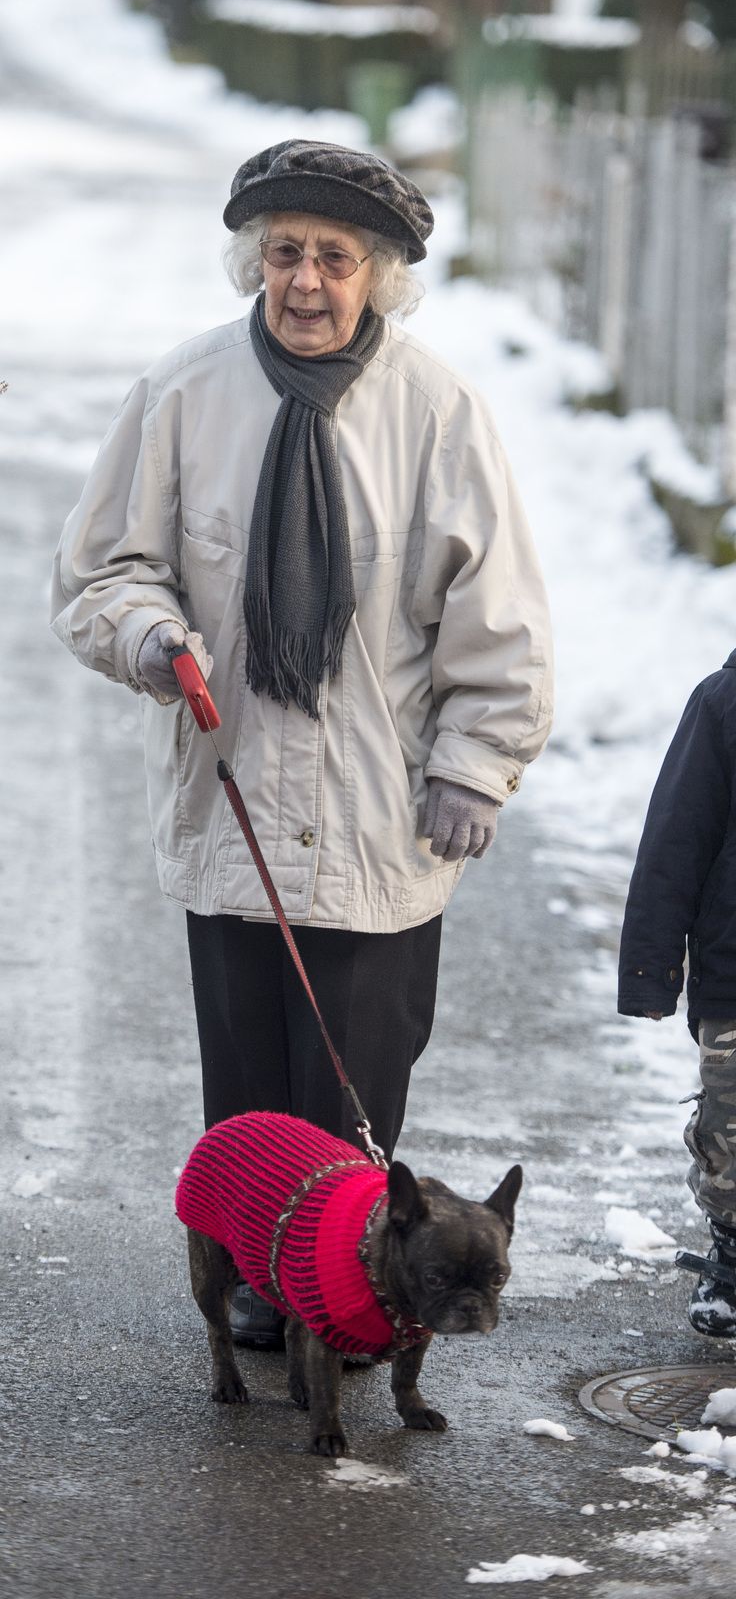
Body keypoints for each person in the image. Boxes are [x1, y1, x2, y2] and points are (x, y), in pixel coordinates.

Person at [51, 139, 553, 1346]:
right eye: (284, 254)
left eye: (334, 257)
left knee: (352, 1101)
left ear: (379, 275)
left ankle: (357, 1293)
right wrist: (151, 633)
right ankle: (261, 1287)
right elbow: (101, 571)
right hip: (231, 812)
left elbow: (501, 616)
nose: (307, 281)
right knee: (250, 1108)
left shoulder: (437, 412)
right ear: (252, 265)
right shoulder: (185, 392)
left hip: (382, 833)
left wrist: (473, 767)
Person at [618, 649, 736, 1339]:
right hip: (734, 976)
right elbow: (675, 841)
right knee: (729, 1135)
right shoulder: (723, 702)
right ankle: (732, 1255)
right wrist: (650, 969)